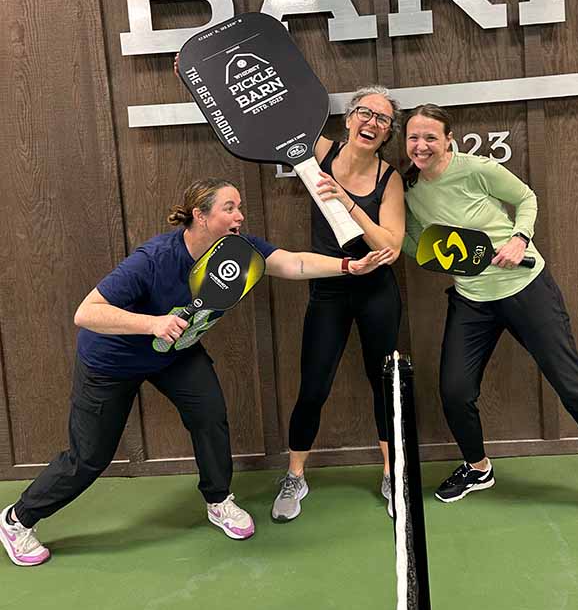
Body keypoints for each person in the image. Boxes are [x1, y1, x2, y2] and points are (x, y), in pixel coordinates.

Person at [0, 178, 393, 567]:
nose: (240, 215)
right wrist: (151, 324)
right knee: (89, 457)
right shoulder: (154, 259)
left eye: (240, 207)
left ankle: (218, 500)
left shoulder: (240, 250)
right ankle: (18, 519)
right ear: (200, 217)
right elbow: (86, 313)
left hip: (176, 354)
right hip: (113, 360)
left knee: (209, 416)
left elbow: (292, 262)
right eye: (229, 208)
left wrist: (348, 266)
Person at [401, 105, 578, 535]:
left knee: (571, 383)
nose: (421, 146)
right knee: (455, 391)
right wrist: (397, 244)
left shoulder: (475, 169)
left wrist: (519, 237)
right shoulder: (411, 189)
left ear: (448, 139)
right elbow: (418, 241)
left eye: (430, 137)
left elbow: (526, 198)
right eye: (413, 138)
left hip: (525, 287)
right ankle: (478, 469)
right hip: (471, 299)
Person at [271, 86, 405, 522]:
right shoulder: (319, 152)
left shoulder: (390, 179)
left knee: (384, 384)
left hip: (377, 291)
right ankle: (295, 475)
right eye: (365, 113)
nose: (372, 123)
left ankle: (392, 472)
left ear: (387, 134)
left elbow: (391, 247)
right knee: (313, 385)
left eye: (382, 120)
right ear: (348, 119)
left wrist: (347, 202)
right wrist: (201, 75)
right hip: (329, 286)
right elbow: (266, 110)